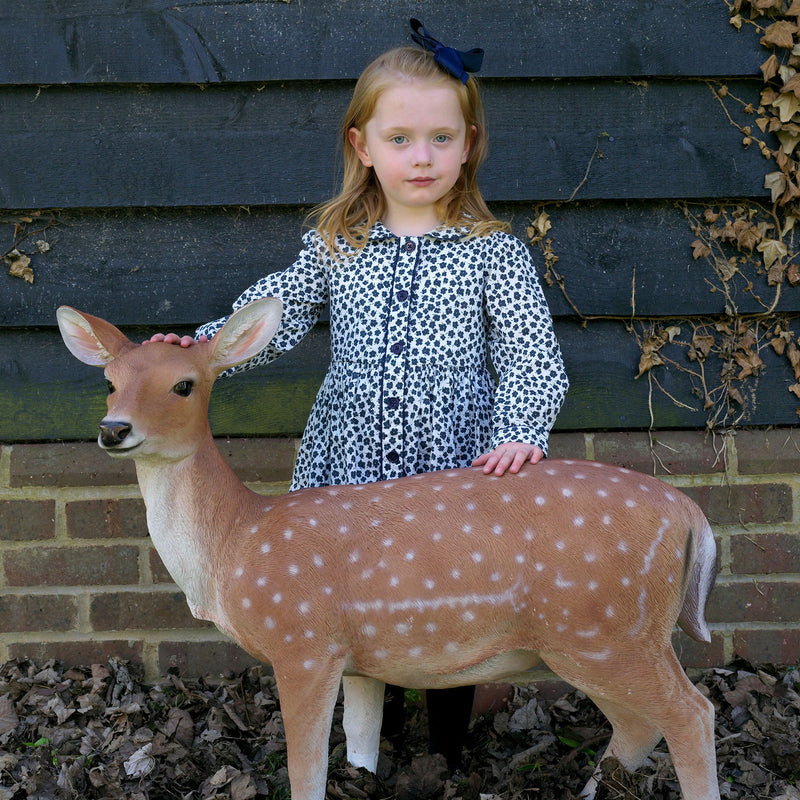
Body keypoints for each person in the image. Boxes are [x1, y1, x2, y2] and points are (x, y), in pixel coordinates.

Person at [150, 20, 568, 771]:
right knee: (354, 607)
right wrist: (200, 349)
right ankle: (366, 757)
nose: (421, 156)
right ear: (362, 145)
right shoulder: (337, 244)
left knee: (444, 604)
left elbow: (530, 356)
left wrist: (521, 429)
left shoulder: (494, 253)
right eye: (400, 138)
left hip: (452, 466)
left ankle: (446, 756)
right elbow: (275, 313)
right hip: (350, 468)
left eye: (441, 138)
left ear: (468, 145)